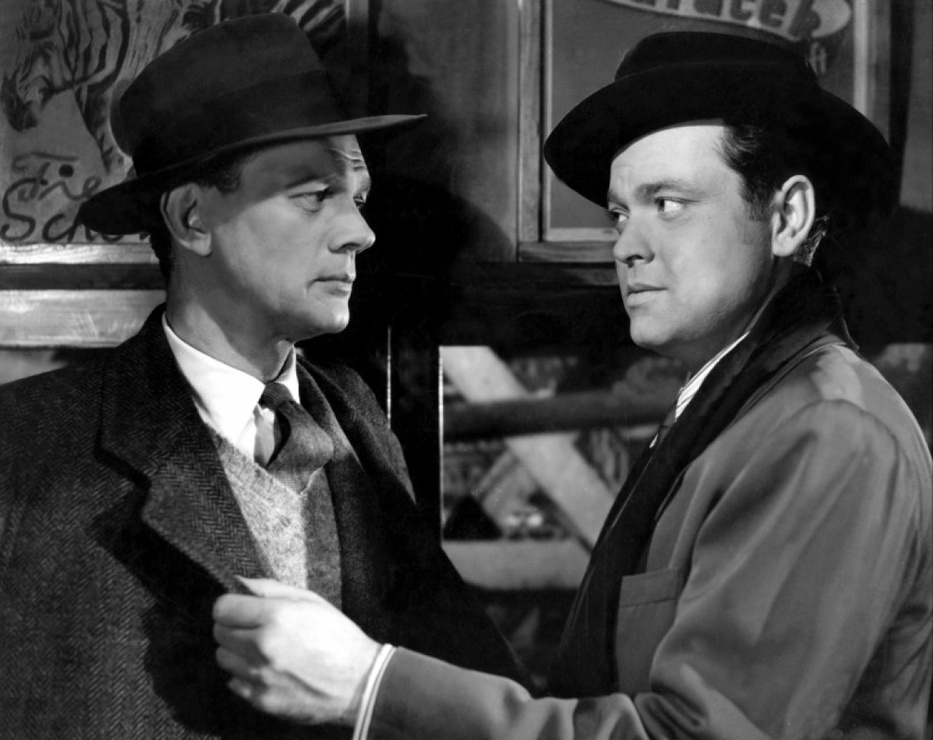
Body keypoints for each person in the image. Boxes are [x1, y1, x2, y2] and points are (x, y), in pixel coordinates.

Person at [210, 31, 933, 739]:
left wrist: (370, 687)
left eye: (669, 204)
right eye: (620, 213)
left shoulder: (826, 429)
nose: (628, 245)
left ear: (787, 216)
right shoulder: (733, 409)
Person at [0, 14, 523, 739]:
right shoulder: (23, 445)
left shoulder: (360, 425)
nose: (360, 232)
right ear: (192, 218)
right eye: (313, 195)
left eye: (357, 197)